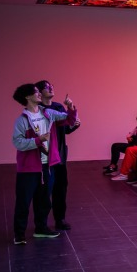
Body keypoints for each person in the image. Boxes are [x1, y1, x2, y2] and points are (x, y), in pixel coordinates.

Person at [11, 83, 77, 244]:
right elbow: (18, 143)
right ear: (27, 97)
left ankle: (41, 229)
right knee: (24, 201)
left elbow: (68, 120)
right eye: (36, 92)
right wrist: (37, 140)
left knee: (44, 200)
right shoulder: (22, 120)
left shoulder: (48, 113)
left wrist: (70, 108)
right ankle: (19, 234)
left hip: (47, 166)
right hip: (28, 169)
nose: (39, 94)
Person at [36, 79, 80, 231]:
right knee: (44, 191)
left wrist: (74, 124)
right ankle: (41, 224)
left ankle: (60, 219)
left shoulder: (58, 107)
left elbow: (65, 129)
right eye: (46, 87)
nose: (50, 88)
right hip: (44, 157)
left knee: (60, 188)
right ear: (39, 92)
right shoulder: (37, 110)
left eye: (51, 86)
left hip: (59, 156)